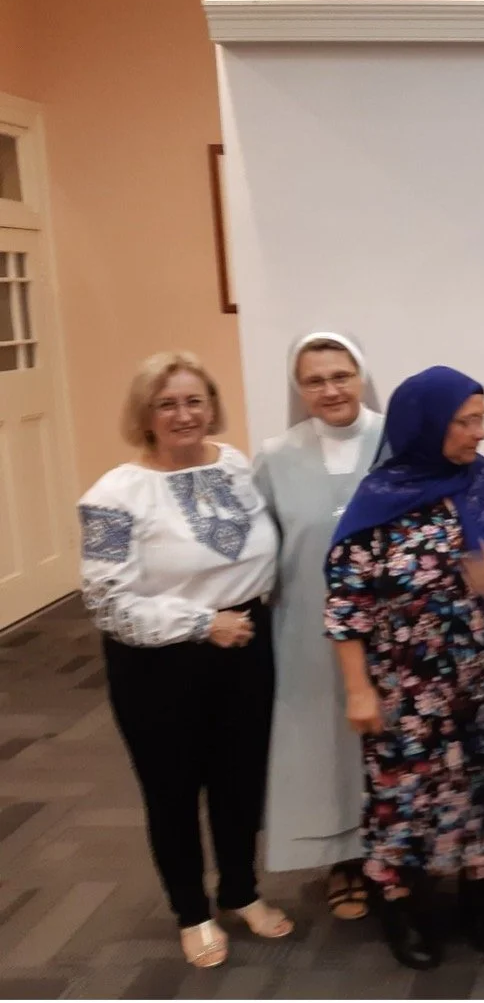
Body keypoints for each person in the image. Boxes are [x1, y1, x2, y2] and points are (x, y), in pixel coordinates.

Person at [77, 351, 291, 969]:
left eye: (194, 400)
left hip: (246, 647)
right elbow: (107, 603)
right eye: (167, 403)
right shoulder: (112, 497)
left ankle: (241, 892)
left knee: (240, 781)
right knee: (172, 790)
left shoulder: (236, 466)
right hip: (160, 664)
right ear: (144, 413)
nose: (183, 414)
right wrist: (202, 624)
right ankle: (191, 911)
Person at [324, 366, 484, 970]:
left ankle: (478, 891)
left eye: (482, 419)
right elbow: (347, 604)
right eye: (464, 421)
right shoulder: (381, 497)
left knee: (483, 786)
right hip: (408, 689)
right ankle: (400, 902)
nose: (477, 432)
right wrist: (358, 688)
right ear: (424, 424)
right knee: (407, 797)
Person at [255, 332, 383, 922]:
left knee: (393, 740)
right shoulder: (275, 456)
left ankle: (396, 855)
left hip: (392, 631)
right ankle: (343, 861)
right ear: (298, 389)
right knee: (325, 744)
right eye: (314, 380)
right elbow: (257, 552)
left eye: (341, 375)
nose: (330, 389)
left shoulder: (395, 443)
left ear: (361, 375)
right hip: (307, 625)